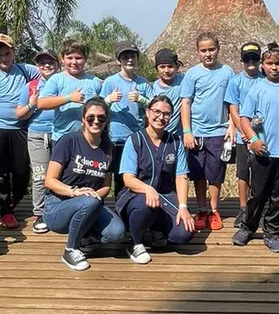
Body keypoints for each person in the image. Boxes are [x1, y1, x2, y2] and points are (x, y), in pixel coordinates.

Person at [232, 45, 279, 254]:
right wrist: (253, 140)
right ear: (263, 65)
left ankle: (272, 232)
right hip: (262, 152)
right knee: (258, 194)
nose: (274, 67)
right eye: (270, 63)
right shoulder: (257, 89)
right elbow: (244, 119)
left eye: (278, 63)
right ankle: (248, 227)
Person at [43, 97, 126, 271]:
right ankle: (70, 249)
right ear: (83, 119)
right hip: (58, 205)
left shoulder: (108, 148)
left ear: (106, 121)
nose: (96, 121)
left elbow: (106, 186)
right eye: (91, 117)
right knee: (88, 202)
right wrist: (74, 192)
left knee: (117, 232)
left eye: (101, 118)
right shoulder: (69, 141)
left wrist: (93, 195)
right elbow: (49, 180)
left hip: (90, 203)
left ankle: (85, 237)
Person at [118, 96, 196, 264]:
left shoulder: (175, 142)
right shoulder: (135, 140)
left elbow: (181, 176)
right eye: (157, 112)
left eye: (166, 114)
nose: (161, 117)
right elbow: (128, 179)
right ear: (148, 112)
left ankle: (155, 228)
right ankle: (135, 243)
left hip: (165, 197)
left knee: (184, 233)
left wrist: (183, 207)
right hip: (136, 196)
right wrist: (148, 189)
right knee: (146, 205)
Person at [0, 33, 39, 229]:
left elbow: (48, 74)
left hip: (21, 127)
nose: (4, 58)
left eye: (7, 53)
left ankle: (16, 198)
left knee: (22, 170)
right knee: (1, 172)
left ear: (13, 52)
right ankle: (5, 211)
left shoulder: (26, 70)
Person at [180, 32, 235, 231]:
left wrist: (232, 124)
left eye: (211, 49)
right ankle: (202, 209)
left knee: (216, 173)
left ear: (218, 49)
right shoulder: (192, 74)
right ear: (198, 52)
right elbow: (185, 102)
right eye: (203, 50)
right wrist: (187, 131)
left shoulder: (227, 72)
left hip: (219, 131)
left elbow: (232, 101)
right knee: (198, 173)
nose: (208, 54)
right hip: (197, 131)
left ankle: (213, 210)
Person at [100, 41, 154, 198]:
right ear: (119, 60)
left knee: (134, 176)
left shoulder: (143, 83)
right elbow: (98, 107)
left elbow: (156, 107)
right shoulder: (110, 82)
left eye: (133, 56)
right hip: (115, 138)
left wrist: (141, 100)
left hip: (137, 138)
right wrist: (109, 99)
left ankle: (131, 206)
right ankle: (116, 207)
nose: (129, 60)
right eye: (125, 57)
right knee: (115, 176)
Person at [16, 49, 59, 234]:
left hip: (62, 135)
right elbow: (19, 114)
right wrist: (32, 104)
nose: (47, 65)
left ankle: (61, 211)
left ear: (58, 64)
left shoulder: (64, 82)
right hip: (37, 135)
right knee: (40, 175)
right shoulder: (31, 86)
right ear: (37, 66)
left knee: (62, 175)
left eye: (50, 62)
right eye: (42, 63)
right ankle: (40, 213)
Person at [224, 41, 264, 228]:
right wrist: (244, 132)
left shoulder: (264, 80)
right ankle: (243, 208)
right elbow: (233, 110)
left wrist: (254, 136)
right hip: (243, 136)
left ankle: (259, 208)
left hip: (261, 135)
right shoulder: (235, 82)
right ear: (242, 61)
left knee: (260, 174)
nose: (251, 62)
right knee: (243, 173)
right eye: (247, 59)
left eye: (254, 58)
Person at [37, 41, 104, 143]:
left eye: (78, 58)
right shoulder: (56, 79)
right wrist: (69, 98)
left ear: (85, 59)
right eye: (69, 58)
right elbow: (41, 103)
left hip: (89, 139)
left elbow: (104, 108)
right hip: (61, 137)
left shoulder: (95, 81)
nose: (74, 62)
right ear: (62, 59)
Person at [151, 48, 185, 137]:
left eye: (170, 66)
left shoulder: (184, 81)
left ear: (177, 67)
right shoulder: (152, 88)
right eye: (162, 67)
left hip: (179, 136)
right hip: (158, 134)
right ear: (156, 69)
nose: (166, 70)